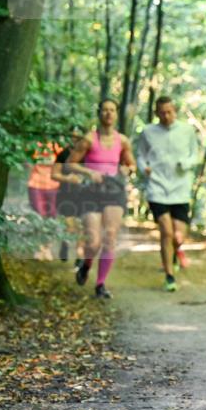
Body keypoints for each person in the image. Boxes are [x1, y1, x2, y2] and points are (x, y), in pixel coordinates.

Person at [67, 99, 137, 299]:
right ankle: (86, 265)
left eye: (112, 110)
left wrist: (127, 169)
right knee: (94, 241)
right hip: (91, 193)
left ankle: (100, 285)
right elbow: (70, 164)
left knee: (111, 238)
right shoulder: (89, 139)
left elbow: (132, 165)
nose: (108, 114)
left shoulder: (122, 141)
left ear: (116, 114)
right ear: (99, 114)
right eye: (105, 110)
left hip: (114, 192)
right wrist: (89, 173)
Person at [136, 96, 200, 292]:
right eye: (162, 112)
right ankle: (169, 275)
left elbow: (194, 155)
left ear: (175, 111)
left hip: (180, 188)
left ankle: (176, 251)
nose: (166, 116)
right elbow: (140, 155)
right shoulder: (148, 132)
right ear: (156, 113)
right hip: (157, 187)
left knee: (178, 236)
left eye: (169, 112)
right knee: (166, 231)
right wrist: (143, 168)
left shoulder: (187, 131)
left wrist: (186, 164)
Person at [51, 126, 92, 265]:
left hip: (85, 195)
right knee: (70, 225)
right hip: (66, 194)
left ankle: (79, 255)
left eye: (79, 137)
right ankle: (65, 243)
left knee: (82, 225)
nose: (76, 139)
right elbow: (54, 174)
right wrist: (68, 179)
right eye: (73, 136)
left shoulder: (88, 155)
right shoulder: (63, 154)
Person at [26, 139, 62, 260]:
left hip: (53, 186)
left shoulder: (56, 146)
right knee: (39, 216)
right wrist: (33, 168)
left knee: (51, 217)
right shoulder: (34, 144)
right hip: (35, 184)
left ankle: (47, 248)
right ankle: (39, 248)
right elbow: (27, 160)